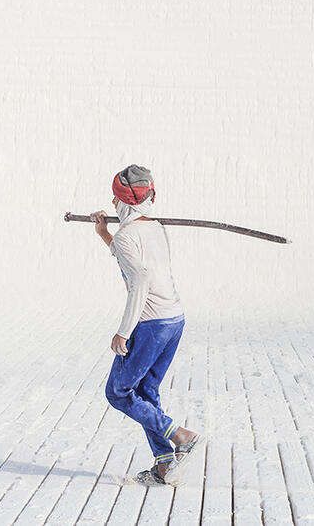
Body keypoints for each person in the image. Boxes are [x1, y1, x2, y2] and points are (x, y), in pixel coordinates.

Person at [91, 164, 203, 485]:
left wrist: (123, 332)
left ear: (124, 201)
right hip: (174, 320)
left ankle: (181, 436)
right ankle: (165, 464)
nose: (112, 203)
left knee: (118, 392)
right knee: (145, 392)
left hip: (151, 325)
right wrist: (103, 233)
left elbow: (139, 278)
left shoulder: (128, 235)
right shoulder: (155, 228)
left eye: (115, 198)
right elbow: (129, 253)